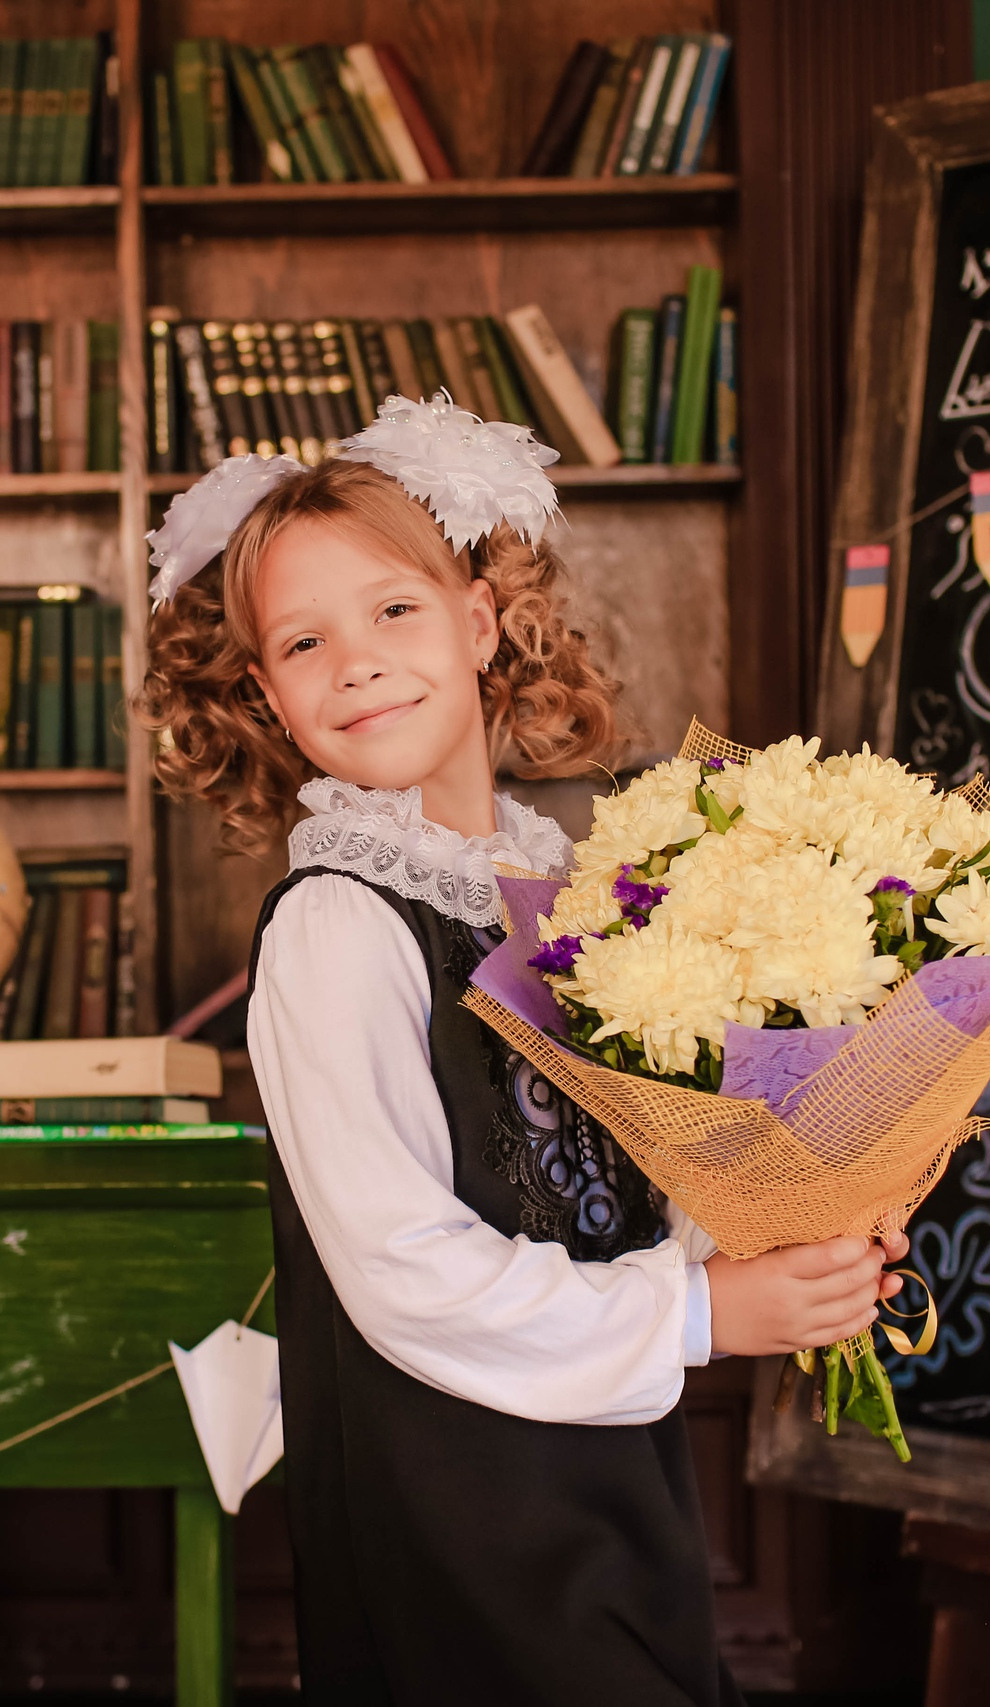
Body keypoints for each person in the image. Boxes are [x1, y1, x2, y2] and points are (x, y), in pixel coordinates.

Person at [136, 395, 905, 1705]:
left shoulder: (562, 905)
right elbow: (405, 1276)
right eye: (305, 640)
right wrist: (710, 1311)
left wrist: (782, 1228)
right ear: (267, 691)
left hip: (603, 1469)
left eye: (393, 611)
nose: (358, 662)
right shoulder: (337, 926)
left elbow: (600, 1175)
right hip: (456, 1507)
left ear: (479, 624)